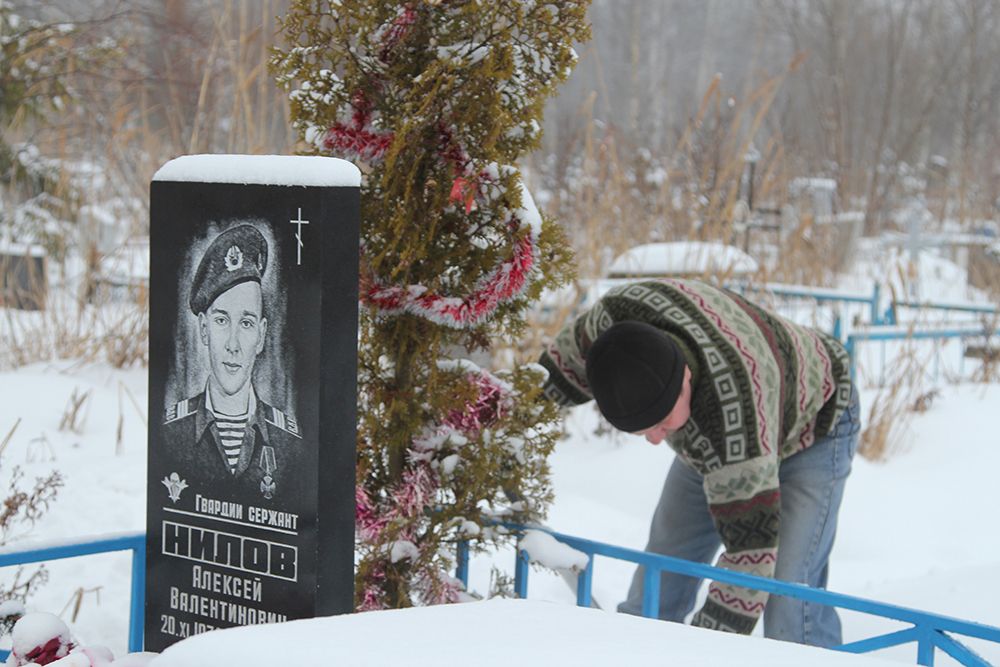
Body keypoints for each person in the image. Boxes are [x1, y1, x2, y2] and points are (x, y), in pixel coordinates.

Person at [539, 278, 859, 647]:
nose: (657, 439)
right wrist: (502, 415)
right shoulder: (610, 330)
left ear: (685, 376)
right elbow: (552, 377)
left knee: (789, 595)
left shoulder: (732, 414)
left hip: (816, 421)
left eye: (661, 424)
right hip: (727, 432)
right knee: (660, 578)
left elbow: (750, 558)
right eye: (643, 432)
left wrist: (703, 652)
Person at [162, 223, 300, 502]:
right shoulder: (170, 434)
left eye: (246, 323)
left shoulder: (290, 442)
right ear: (203, 328)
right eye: (222, 321)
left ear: (261, 336)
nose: (233, 345)